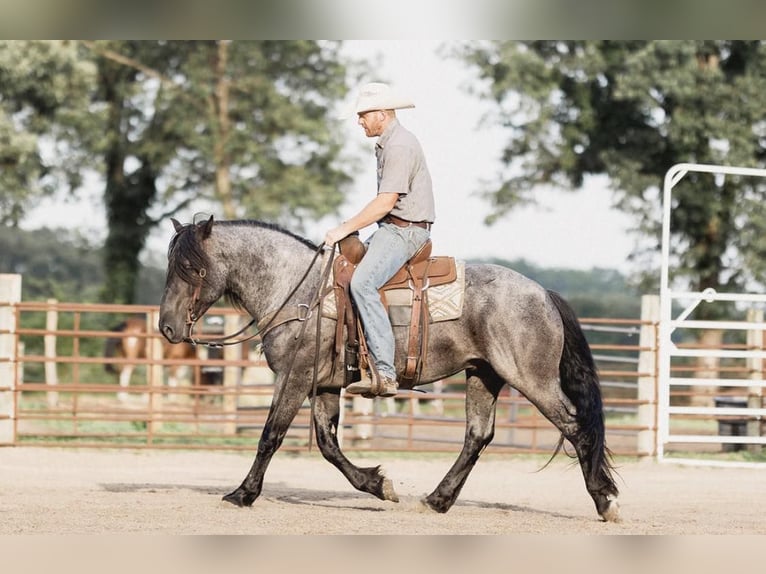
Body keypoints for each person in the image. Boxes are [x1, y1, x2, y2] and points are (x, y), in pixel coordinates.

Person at [324, 82, 435, 398]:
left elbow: (386, 202)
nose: (359, 121)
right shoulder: (391, 143)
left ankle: (385, 372)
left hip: (404, 230)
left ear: (382, 114)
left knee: (362, 283)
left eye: (363, 115)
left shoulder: (399, 146)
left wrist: (343, 228)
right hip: (393, 228)